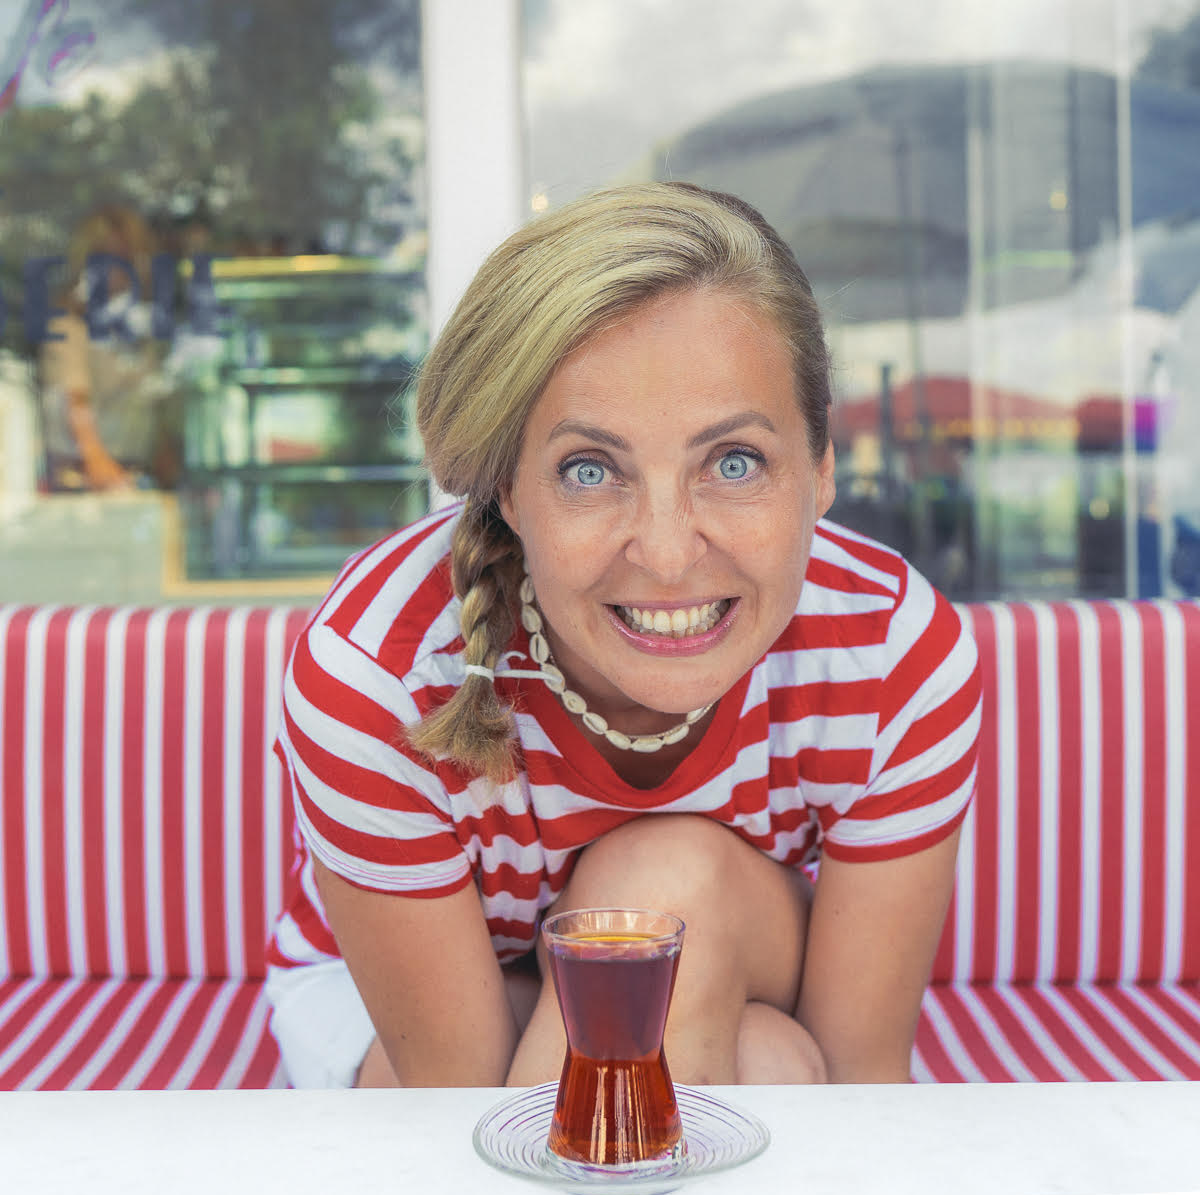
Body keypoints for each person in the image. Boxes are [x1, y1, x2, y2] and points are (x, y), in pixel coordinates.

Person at [265, 182, 981, 1089]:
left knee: (663, 897)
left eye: (734, 462)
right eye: (589, 470)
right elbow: (453, 1106)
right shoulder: (378, 676)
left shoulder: (892, 656)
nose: (670, 556)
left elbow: (858, 1072)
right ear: (507, 489)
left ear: (822, 468)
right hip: (405, 1011)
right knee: (757, 1056)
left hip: (737, 948)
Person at [39, 204, 179, 492]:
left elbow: (156, 403)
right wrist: (97, 461)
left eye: (126, 257)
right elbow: (74, 399)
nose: (116, 269)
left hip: (135, 476)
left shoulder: (142, 328)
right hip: (83, 480)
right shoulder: (67, 325)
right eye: (104, 257)